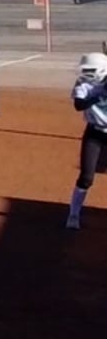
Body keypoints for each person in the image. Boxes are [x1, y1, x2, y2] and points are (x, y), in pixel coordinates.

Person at [64, 51, 107, 230]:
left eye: (91, 70)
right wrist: (100, 95)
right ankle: (74, 214)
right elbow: (79, 105)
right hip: (94, 133)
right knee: (86, 177)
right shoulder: (82, 84)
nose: (86, 74)